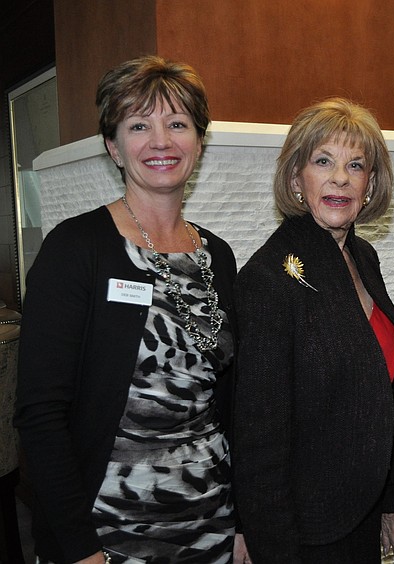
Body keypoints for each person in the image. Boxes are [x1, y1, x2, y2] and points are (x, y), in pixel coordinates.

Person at [14, 56, 248, 563]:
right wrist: (79, 549)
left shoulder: (219, 256)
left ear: (199, 143)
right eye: (139, 125)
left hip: (211, 523)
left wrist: (243, 523)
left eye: (178, 124)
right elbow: (40, 414)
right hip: (107, 531)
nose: (161, 141)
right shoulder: (76, 248)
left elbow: (229, 405)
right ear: (113, 147)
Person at [232, 97, 394, 563]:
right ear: (297, 179)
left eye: (356, 165)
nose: (340, 178)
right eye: (323, 161)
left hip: (361, 516)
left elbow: (380, 390)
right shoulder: (269, 279)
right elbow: (258, 443)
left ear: (371, 183)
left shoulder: (362, 257)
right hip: (306, 534)